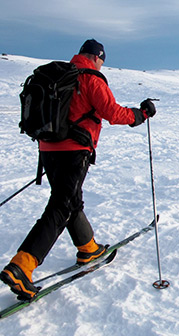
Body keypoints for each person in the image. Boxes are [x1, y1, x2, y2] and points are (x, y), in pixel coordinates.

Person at [0, 39, 156, 301]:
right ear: (97, 57)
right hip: (74, 151)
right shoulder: (91, 79)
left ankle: (87, 247)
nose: (102, 64)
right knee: (61, 205)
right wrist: (140, 115)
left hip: (48, 148)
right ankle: (21, 267)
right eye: (103, 60)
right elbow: (113, 113)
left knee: (71, 200)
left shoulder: (61, 75)